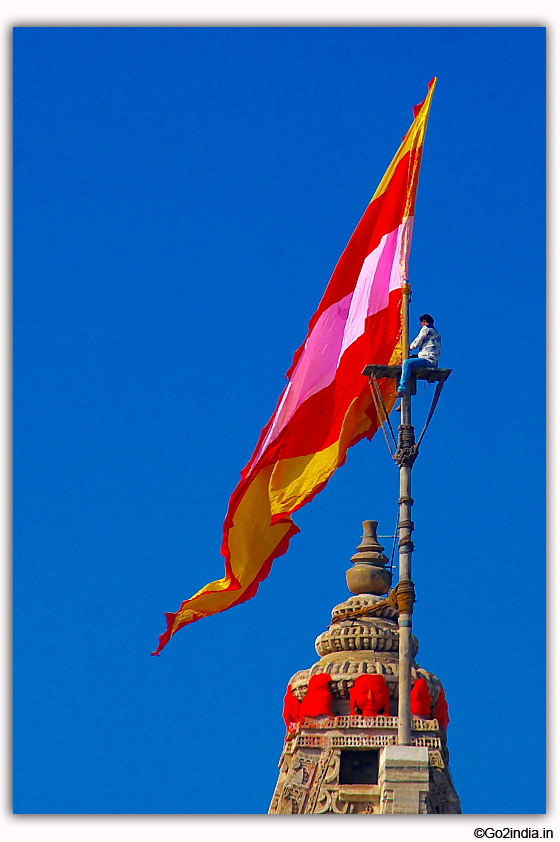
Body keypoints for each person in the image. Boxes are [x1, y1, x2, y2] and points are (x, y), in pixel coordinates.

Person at [395, 314, 441, 397]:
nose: (421, 325)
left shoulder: (426, 329)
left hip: (427, 360)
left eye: (421, 322)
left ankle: (401, 389)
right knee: (410, 367)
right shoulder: (437, 333)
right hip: (432, 361)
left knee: (407, 363)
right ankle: (404, 400)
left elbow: (417, 342)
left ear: (424, 321)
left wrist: (407, 348)